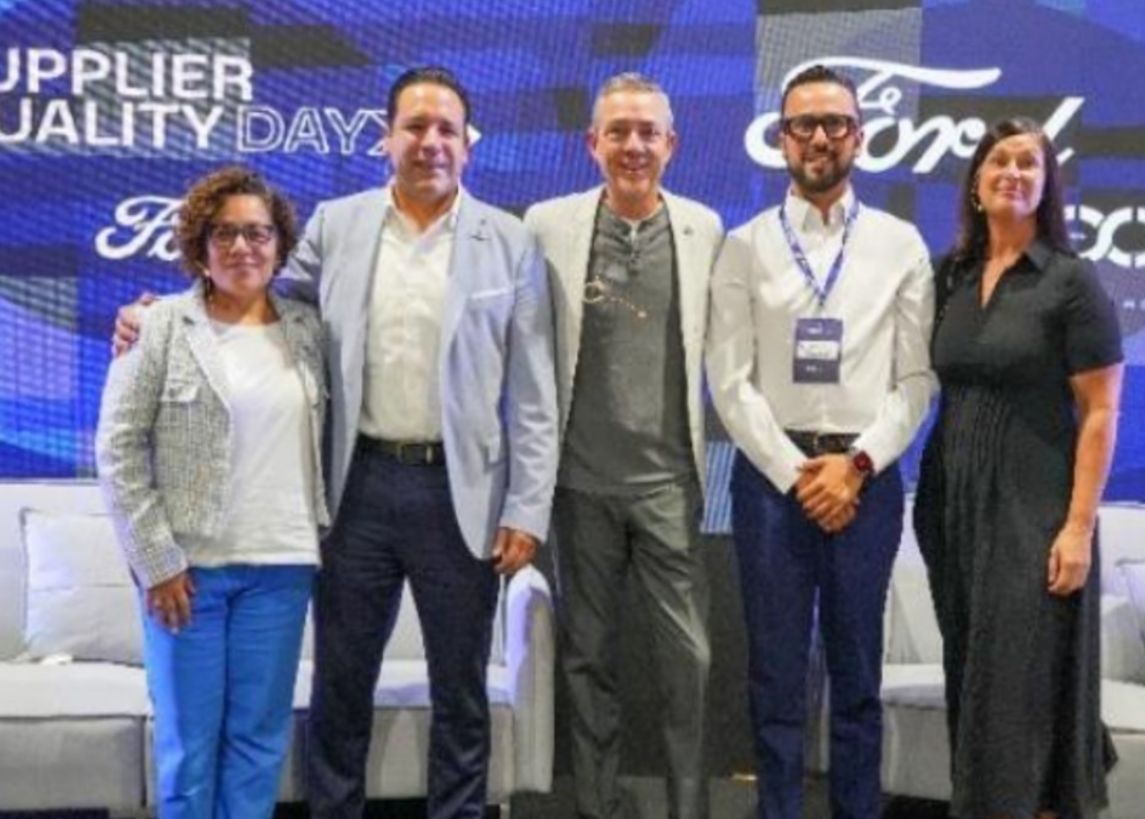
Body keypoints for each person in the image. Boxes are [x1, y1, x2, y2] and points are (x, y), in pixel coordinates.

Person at [115, 67, 558, 819]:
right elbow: (252, 291)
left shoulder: (510, 241)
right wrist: (159, 313)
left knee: (461, 689)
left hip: (464, 494)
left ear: (468, 144)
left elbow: (533, 391)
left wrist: (526, 506)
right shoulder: (336, 224)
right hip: (357, 487)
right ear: (386, 138)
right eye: (414, 127)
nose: (430, 142)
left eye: (446, 129)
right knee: (341, 684)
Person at [705, 65, 937, 819]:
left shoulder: (901, 244)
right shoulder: (743, 246)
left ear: (859, 137)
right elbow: (729, 381)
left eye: (835, 123)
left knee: (857, 673)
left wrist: (857, 465)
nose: (819, 137)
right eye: (802, 124)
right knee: (775, 675)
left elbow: (916, 380)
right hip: (772, 485)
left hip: (866, 482)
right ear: (780, 139)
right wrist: (797, 472)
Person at [97, 165, 327, 819]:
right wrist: (157, 562)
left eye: (258, 233)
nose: (242, 246)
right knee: (188, 753)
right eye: (224, 233)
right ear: (199, 246)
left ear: (279, 245)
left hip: (282, 567)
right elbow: (118, 450)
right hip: (187, 575)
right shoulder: (159, 326)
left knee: (258, 744)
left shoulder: (310, 330)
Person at [522, 72, 723, 819]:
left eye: (647, 132)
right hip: (580, 486)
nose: (633, 146)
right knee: (588, 660)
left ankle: (688, 808)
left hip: (670, 485)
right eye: (618, 132)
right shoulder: (546, 225)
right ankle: (598, 807)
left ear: (672, 144)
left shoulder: (705, 229)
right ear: (592, 143)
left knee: (689, 662)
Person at [913, 116, 1124, 819]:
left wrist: (1078, 527)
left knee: (1015, 684)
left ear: (1046, 186)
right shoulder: (949, 275)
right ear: (976, 182)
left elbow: (1100, 411)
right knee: (972, 674)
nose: (1012, 173)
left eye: (1028, 163)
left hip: (1033, 511)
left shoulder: (1070, 282)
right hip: (950, 505)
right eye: (999, 160)